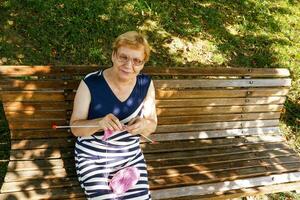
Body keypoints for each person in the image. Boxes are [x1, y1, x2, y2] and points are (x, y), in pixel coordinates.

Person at [70, 31, 157, 200]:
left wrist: (144, 125)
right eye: (123, 57)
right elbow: (75, 128)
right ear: (113, 55)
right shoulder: (91, 83)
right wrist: (98, 123)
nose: (128, 65)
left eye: (136, 61)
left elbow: (152, 125)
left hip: (130, 157)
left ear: (143, 64)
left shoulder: (145, 84)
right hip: (93, 157)